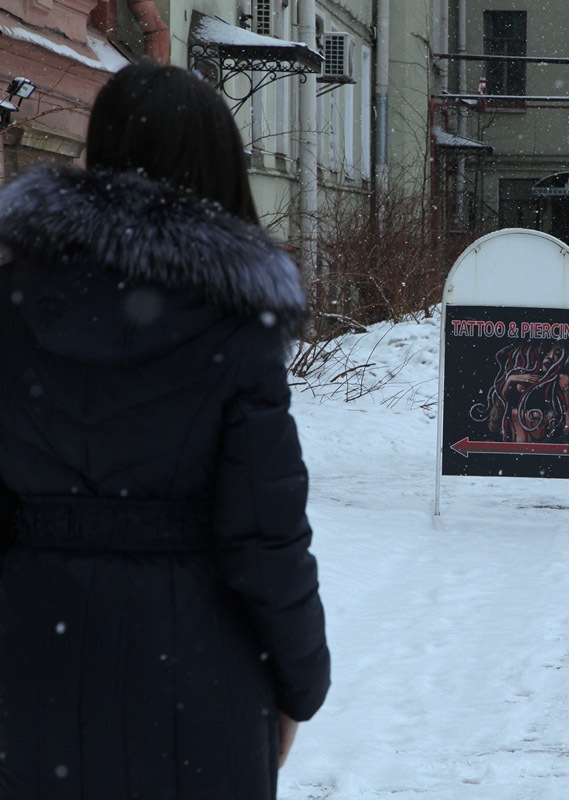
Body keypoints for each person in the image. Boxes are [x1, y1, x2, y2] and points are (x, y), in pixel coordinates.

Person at [0, 63, 330, 798]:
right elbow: (264, 531)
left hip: (29, 667)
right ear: (216, 163)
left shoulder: (11, 301)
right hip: (196, 680)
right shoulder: (235, 322)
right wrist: (301, 681)